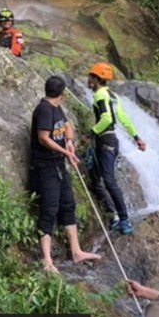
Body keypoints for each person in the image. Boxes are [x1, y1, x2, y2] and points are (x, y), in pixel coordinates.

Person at [30, 75, 101, 273]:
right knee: (50, 209)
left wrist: (69, 142)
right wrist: (65, 152)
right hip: (45, 167)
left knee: (68, 205)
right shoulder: (44, 110)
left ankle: (76, 251)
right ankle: (47, 260)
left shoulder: (56, 108)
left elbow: (67, 127)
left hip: (58, 165)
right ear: (62, 94)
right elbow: (43, 138)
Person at [86, 62, 147, 235]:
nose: (88, 79)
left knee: (108, 181)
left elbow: (106, 118)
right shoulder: (113, 96)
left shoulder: (99, 95)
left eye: (90, 77)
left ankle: (124, 219)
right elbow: (124, 119)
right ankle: (113, 216)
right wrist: (137, 138)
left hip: (106, 142)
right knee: (96, 180)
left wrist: (91, 132)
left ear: (97, 79)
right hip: (108, 142)